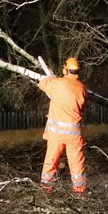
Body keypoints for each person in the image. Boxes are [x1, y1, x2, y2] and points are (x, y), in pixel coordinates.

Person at [38, 57, 89, 194]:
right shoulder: (82, 88)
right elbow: (82, 108)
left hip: (57, 135)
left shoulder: (57, 83)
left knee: (51, 162)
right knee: (77, 165)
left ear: (65, 69)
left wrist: (51, 78)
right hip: (75, 136)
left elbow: (42, 84)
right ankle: (80, 192)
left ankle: (46, 191)